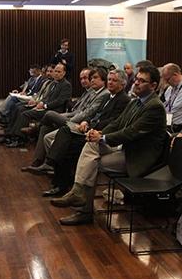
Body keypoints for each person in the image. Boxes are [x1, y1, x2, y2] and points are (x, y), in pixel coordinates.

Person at [50, 65, 166, 225]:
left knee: (92, 162)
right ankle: (78, 192)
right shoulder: (136, 102)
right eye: (137, 79)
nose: (137, 83)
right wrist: (97, 133)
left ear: (153, 86)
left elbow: (131, 132)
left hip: (138, 157)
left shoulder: (155, 107)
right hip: (126, 149)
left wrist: (103, 137)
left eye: (142, 81)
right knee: (91, 143)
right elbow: (118, 123)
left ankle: (84, 210)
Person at [40, 69, 130, 197]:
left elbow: (113, 122)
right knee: (65, 132)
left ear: (122, 84)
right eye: (109, 79)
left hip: (100, 134)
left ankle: (57, 177)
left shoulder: (123, 99)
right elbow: (94, 114)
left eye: (114, 80)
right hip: (89, 128)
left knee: (68, 146)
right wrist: (86, 122)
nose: (110, 83)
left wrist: (91, 127)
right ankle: (58, 177)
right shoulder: (108, 96)